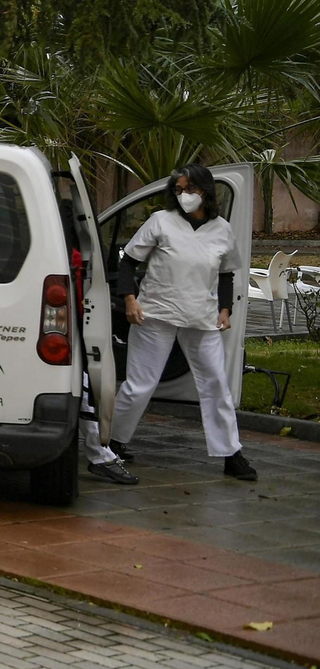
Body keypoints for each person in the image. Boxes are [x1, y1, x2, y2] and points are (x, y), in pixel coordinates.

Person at [108, 163, 256, 482]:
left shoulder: (222, 230)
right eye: (178, 189)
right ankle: (113, 444)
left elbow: (227, 274)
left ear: (205, 191)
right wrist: (130, 299)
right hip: (155, 314)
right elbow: (129, 262)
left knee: (216, 382)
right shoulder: (160, 222)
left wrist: (225, 310)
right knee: (140, 383)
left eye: (190, 189)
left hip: (201, 318)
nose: (184, 195)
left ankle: (231, 454)